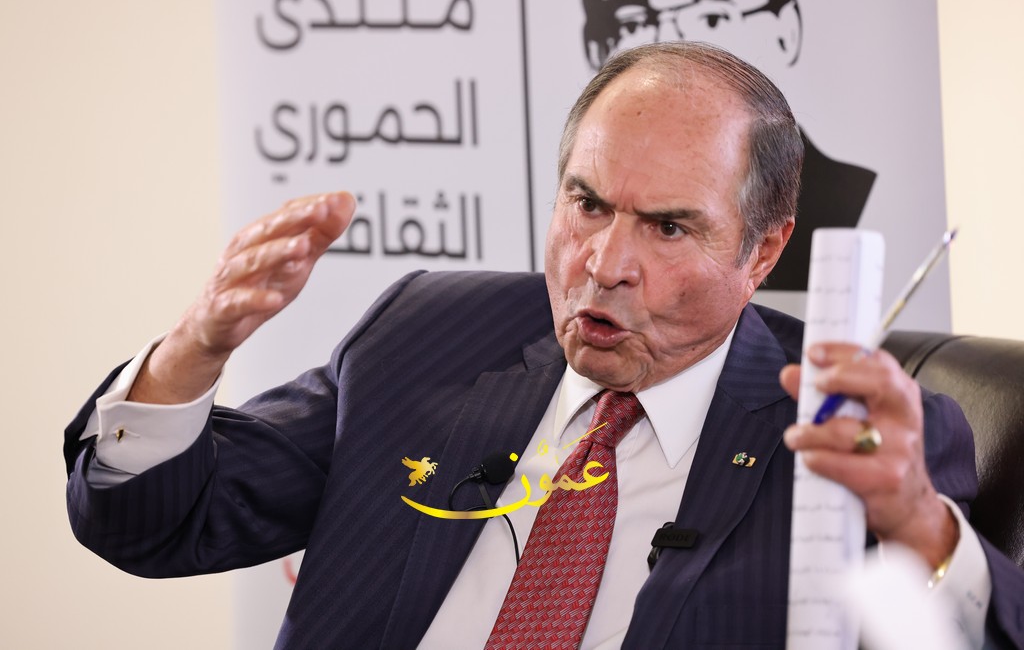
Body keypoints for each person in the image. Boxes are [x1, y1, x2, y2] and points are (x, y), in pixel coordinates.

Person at [64, 42, 1022, 648]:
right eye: (587, 204)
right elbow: (150, 521)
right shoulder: (427, 336)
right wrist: (195, 348)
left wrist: (917, 523)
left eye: (669, 228)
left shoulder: (852, 431)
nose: (604, 264)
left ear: (762, 250)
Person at [580, 0, 876, 292]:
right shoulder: (526, 315)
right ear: (595, 49)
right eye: (632, 23)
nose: (667, 47)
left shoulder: (859, 197)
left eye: (712, 18)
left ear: (786, 32)